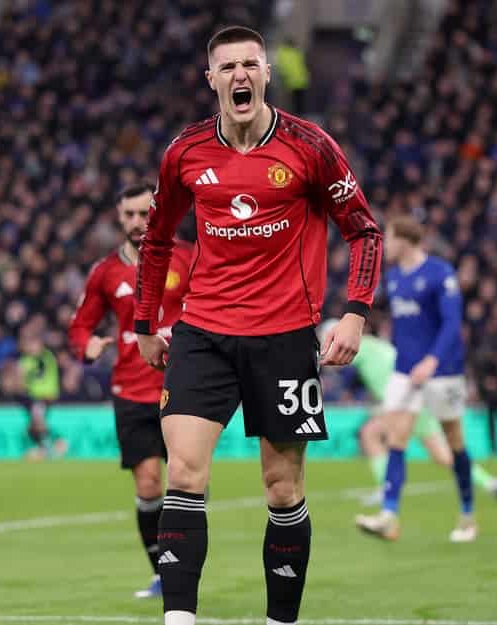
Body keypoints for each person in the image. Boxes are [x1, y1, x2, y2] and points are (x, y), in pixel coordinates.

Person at [133, 26, 382, 625]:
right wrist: (145, 322)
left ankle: (280, 621)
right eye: (228, 67)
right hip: (203, 332)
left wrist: (355, 313)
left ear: (267, 73)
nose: (240, 75)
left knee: (282, 487)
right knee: (183, 472)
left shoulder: (309, 146)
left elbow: (364, 231)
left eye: (250, 64)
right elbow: (157, 238)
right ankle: (178, 619)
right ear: (211, 79)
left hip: (284, 336)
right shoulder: (186, 152)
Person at [68, 181, 193, 599]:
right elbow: (81, 325)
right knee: (149, 484)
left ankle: (185, 561)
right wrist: (85, 346)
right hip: (131, 389)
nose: (138, 222)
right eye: (130, 215)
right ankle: (164, 574)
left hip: (185, 385)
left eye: (145, 213)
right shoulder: (106, 272)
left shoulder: (189, 257)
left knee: (186, 480)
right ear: (119, 218)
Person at [354, 215, 476, 543]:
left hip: (442, 371)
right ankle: (388, 516)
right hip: (404, 372)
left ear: (405, 240)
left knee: (454, 442)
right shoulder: (393, 278)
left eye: (390, 238)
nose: (386, 246)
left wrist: (432, 360)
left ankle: (467, 515)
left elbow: (452, 324)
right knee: (397, 438)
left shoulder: (440, 273)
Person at [315, 320, 497, 506]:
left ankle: (387, 490)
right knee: (441, 455)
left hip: (405, 401)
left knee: (371, 434)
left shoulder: (360, 348)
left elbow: (333, 362)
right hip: (411, 397)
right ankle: (490, 483)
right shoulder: (372, 346)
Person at [18, 336, 67, 460]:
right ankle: (48, 446)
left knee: (38, 422)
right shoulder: (26, 360)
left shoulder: (47, 357)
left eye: (34, 345)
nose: (32, 348)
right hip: (33, 397)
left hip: (45, 396)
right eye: (30, 346)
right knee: (32, 427)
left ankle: (54, 443)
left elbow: (40, 368)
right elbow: (21, 377)